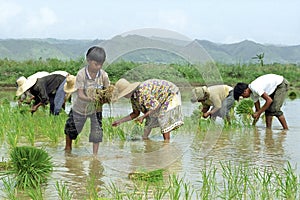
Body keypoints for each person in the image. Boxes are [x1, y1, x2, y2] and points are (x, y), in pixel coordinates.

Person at [64, 46, 110, 155]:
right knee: (71, 129)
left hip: (96, 109)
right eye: (96, 64)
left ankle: (95, 156)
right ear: (88, 61)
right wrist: (90, 99)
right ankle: (68, 150)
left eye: (101, 64)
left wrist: (105, 99)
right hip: (80, 108)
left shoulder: (103, 75)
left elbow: (107, 92)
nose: (98, 67)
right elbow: (80, 94)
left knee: (97, 132)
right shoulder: (81, 74)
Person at [112, 78, 184, 141]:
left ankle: (166, 144)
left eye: (124, 94)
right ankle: (145, 139)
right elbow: (135, 114)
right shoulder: (134, 98)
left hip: (171, 93)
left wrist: (143, 117)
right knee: (149, 119)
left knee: (162, 117)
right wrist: (119, 121)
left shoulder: (142, 92)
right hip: (160, 99)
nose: (124, 96)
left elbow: (156, 106)